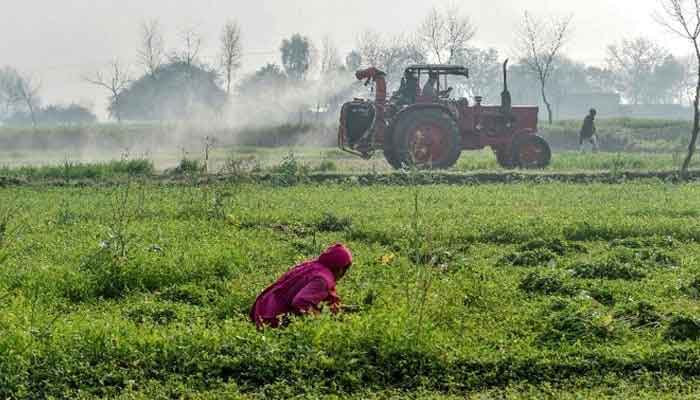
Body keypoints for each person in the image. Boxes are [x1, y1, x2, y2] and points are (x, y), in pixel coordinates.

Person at [249, 244, 353, 329]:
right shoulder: (323, 279)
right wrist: (322, 320)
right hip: (270, 318)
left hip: (261, 307)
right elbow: (301, 303)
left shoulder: (313, 265)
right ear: (340, 269)